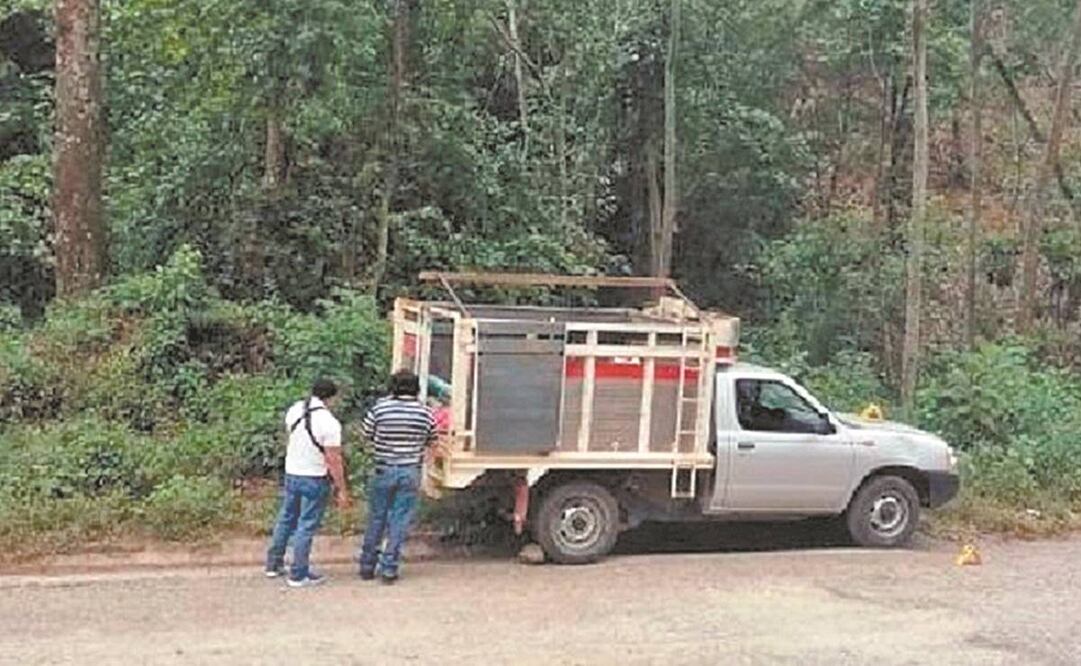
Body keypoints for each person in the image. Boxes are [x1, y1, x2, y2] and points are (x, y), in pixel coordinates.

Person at [265, 378, 351, 587]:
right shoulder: (329, 423)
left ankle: (273, 564)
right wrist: (341, 489)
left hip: (292, 472)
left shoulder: (295, 410)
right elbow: (333, 459)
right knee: (306, 524)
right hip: (314, 477)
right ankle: (298, 573)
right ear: (332, 398)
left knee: (286, 518)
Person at [358, 370, 436, 583]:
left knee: (377, 517)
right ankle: (389, 568)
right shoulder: (425, 412)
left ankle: (367, 565)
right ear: (416, 388)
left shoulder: (380, 409)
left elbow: (365, 434)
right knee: (399, 521)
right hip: (410, 470)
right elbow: (432, 441)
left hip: (383, 469)